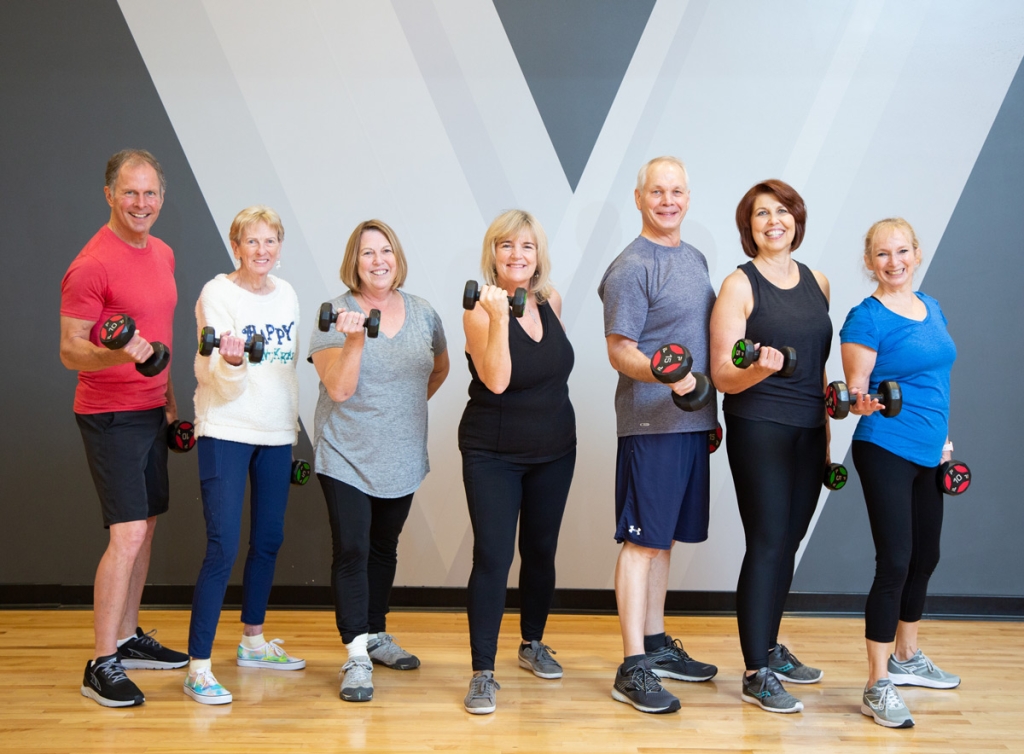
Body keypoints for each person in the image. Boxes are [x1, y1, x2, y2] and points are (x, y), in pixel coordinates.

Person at [60, 149, 189, 707]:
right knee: (127, 534)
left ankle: (130, 637)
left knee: (148, 527)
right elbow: (70, 350)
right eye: (131, 193)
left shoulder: (162, 252)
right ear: (109, 194)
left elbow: (159, 335)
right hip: (108, 414)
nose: (142, 203)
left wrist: (168, 400)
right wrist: (122, 357)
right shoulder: (91, 264)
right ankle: (101, 661)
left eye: (151, 193)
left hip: (149, 409)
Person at [597, 156, 718, 715]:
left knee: (662, 539)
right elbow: (620, 349)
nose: (668, 200)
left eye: (677, 191)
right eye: (657, 191)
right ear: (640, 198)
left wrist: (704, 405)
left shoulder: (692, 259)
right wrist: (671, 375)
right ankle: (631, 665)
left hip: (692, 421)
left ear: (687, 198)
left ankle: (654, 642)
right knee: (642, 540)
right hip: (650, 422)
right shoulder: (631, 266)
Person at [309, 219, 449, 703]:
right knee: (352, 548)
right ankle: (355, 656)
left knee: (383, 548)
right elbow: (340, 389)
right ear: (355, 261)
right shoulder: (335, 314)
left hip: (402, 454)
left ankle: (373, 634)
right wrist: (354, 339)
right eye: (367, 253)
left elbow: (439, 368)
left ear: (397, 256)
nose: (378, 261)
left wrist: (402, 410)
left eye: (385, 250)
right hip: (345, 451)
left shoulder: (425, 313)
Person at [709, 180, 832, 714]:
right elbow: (720, 375)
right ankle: (756, 670)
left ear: (796, 220)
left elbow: (821, 369)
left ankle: (771, 647)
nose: (773, 221)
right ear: (749, 226)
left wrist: (826, 442)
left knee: (790, 540)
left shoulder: (818, 281)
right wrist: (756, 367)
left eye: (782, 212)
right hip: (759, 425)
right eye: (762, 214)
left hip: (808, 428)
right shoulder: (739, 285)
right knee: (766, 539)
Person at [182, 206, 305, 705]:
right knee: (223, 546)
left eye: (269, 241)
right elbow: (216, 377)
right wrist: (231, 360)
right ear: (236, 246)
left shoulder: (290, 294)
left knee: (269, 540)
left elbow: (285, 367)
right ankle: (198, 668)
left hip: (275, 432)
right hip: (226, 429)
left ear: (279, 245)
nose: (261, 251)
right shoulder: (217, 294)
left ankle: (253, 642)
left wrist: (288, 422)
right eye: (251, 242)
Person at [841, 218, 960, 729]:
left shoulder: (931, 306)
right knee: (895, 560)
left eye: (902, 251)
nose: (894, 262)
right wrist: (859, 402)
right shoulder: (864, 318)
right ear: (869, 261)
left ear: (916, 253)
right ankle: (876, 684)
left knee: (925, 556)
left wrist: (944, 439)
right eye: (883, 254)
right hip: (885, 446)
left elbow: (936, 380)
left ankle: (906, 658)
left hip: (931, 451)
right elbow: (855, 391)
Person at [459, 210, 577, 715]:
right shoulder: (478, 311)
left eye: (526, 246)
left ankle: (531, 643)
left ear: (538, 255)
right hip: (494, 453)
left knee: (542, 550)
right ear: (493, 254)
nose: (516, 255)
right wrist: (502, 315)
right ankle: (482, 672)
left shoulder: (550, 300)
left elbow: (557, 365)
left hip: (554, 448)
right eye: (506, 246)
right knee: (493, 556)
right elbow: (499, 380)